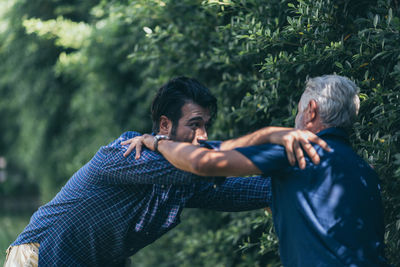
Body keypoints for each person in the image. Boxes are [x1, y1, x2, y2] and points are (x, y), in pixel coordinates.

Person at [4, 77, 327, 267]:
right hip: (39, 257)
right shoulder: (127, 154)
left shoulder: (183, 182)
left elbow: (251, 190)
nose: (202, 135)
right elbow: (210, 161)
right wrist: (270, 136)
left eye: (206, 126)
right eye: (194, 125)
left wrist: (327, 173)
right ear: (164, 125)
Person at [125, 75, 387, 266]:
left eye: (298, 112)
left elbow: (205, 162)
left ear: (311, 111)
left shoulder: (296, 148)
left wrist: (156, 142)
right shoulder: (365, 171)